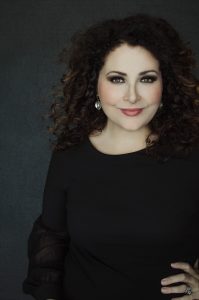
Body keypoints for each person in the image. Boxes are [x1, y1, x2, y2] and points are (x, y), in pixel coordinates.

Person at [22, 13, 199, 300]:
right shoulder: (69, 156)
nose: (131, 96)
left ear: (166, 86)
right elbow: (50, 241)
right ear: (95, 84)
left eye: (147, 79)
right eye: (117, 79)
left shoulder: (192, 155)